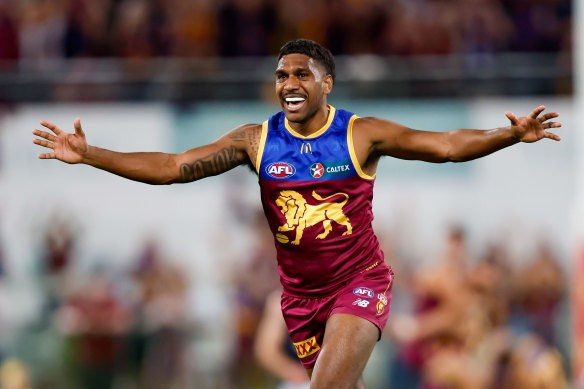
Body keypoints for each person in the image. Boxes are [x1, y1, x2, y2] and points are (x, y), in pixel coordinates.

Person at [32, 39, 562, 389]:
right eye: (282, 74)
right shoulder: (254, 142)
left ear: (326, 83)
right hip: (300, 301)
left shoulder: (361, 134)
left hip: (360, 282)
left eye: (301, 75)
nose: (289, 83)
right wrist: (90, 154)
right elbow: (172, 165)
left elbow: (445, 143)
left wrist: (509, 135)